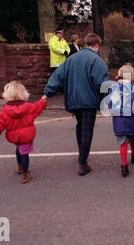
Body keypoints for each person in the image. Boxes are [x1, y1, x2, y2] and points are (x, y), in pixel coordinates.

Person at [43, 33, 108, 176]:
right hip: (89, 101)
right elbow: (100, 83)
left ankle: (81, 155)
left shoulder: (71, 59)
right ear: (96, 45)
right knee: (87, 130)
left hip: (73, 100)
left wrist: (47, 93)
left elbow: (57, 76)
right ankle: (82, 162)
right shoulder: (96, 60)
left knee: (80, 127)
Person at [0, 81, 47, 184]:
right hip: (26, 135)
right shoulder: (29, 107)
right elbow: (38, 106)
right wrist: (43, 100)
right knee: (25, 153)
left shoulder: (4, 111)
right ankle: (25, 174)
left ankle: (19, 167)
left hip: (14, 136)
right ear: (23, 93)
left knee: (19, 148)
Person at [108, 65, 134, 177]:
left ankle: (124, 166)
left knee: (122, 142)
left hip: (119, 119)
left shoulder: (114, 88)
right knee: (132, 136)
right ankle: (133, 154)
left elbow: (109, 104)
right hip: (132, 118)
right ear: (132, 76)